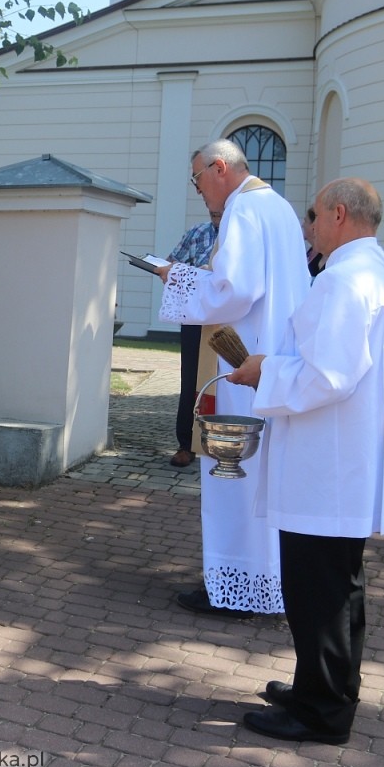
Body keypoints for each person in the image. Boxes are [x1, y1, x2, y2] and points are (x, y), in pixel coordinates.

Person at [227, 177, 384, 744]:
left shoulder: (345, 281)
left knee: (319, 591)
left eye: (312, 214)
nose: (307, 225)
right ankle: (324, 686)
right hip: (345, 458)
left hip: (327, 464)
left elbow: (327, 376)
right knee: (337, 587)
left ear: (339, 214)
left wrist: (265, 369)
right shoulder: (379, 274)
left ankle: (322, 711)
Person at [156, 139, 310, 618]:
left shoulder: (243, 210)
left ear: (219, 168)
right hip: (274, 359)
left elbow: (235, 290)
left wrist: (176, 277)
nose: (199, 191)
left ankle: (233, 585)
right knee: (263, 475)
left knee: (232, 471)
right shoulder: (279, 207)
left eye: (198, 179)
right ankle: (266, 579)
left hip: (241, 363)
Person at [165, 210, 220, 468]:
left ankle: (222, 441)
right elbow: (170, 263)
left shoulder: (242, 234)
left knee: (227, 381)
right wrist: (190, 274)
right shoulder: (197, 232)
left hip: (231, 321)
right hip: (195, 319)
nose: (215, 210)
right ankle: (186, 444)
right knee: (191, 380)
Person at [302, 205, 324, 277]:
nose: (302, 225)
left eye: (305, 221)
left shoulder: (323, 255)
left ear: (314, 226)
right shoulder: (310, 251)